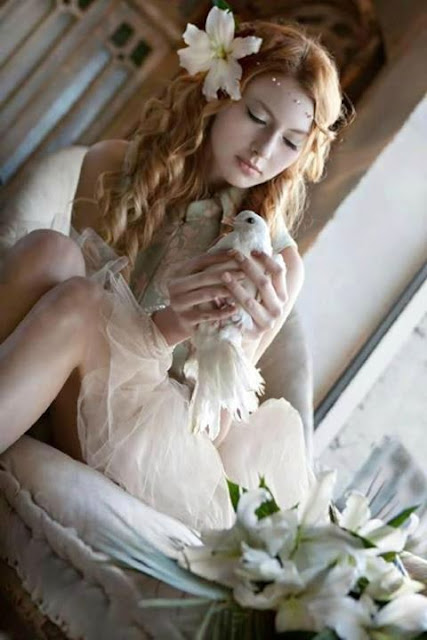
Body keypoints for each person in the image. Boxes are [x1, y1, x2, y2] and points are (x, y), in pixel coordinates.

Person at [0, 8, 345, 531]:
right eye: (256, 116)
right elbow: (61, 311)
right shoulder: (111, 165)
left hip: (151, 439)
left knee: (80, 300)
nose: (265, 150)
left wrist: (183, 327)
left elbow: (212, 426)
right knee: (50, 252)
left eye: (291, 142)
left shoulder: (275, 263)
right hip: (69, 379)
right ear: (218, 95)